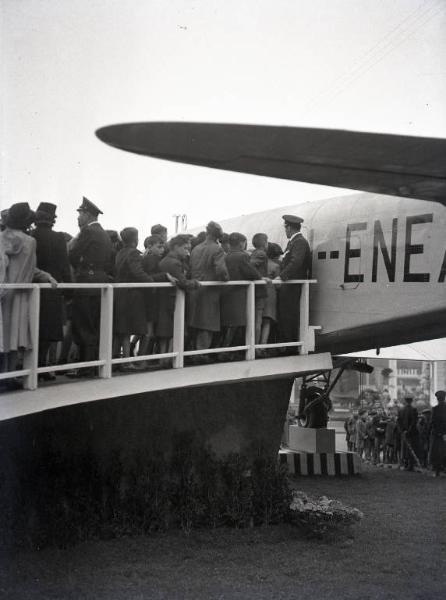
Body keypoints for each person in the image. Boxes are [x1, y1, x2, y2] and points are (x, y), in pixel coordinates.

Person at [0, 203, 56, 380]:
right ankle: (9, 376)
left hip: (4, 292)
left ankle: (5, 376)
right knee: (14, 336)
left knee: (4, 334)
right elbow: (31, 269)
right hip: (20, 295)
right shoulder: (30, 241)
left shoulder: (2, 238)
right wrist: (47, 276)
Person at [68, 197, 113, 376]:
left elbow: (73, 254)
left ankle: (86, 367)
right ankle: (93, 364)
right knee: (94, 323)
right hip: (100, 281)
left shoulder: (87, 232)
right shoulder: (104, 234)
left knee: (83, 324)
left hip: (86, 281)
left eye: (80, 214)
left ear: (87, 214)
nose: (78, 218)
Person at [32, 202, 72, 377]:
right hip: (52, 288)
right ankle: (42, 366)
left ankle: (31, 367)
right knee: (48, 331)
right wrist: (69, 289)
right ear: (52, 219)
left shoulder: (31, 235)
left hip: (31, 286)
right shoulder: (58, 238)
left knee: (33, 328)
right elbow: (65, 266)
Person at [113, 227, 161, 369]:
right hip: (132, 296)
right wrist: (152, 283)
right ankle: (128, 361)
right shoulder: (133, 253)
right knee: (131, 329)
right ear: (136, 239)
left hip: (120, 294)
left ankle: (121, 360)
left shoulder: (120, 252)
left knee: (123, 330)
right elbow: (137, 272)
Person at [188, 221, 229, 354]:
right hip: (209, 292)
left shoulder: (196, 248)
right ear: (218, 235)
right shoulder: (217, 249)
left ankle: (194, 352)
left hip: (194, 290)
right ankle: (201, 353)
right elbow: (221, 270)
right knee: (207, 324)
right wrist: (225, 279)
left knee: (195, 322)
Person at [157, 235, 199, 363]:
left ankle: (165, 359)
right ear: (176, 247)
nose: (187, 252)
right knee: (176, 330)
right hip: (173, 300)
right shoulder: (174, 263)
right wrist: (196, 283)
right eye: (185, 248)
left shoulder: (165, 260)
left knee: (168, 331)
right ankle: (170, 360)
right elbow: (183, 282)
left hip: (166, 299)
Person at [220, 232, 264, 351]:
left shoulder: (226, 256)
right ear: (241, 243)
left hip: (227, 294)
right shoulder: (242, 256)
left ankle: (225, 349)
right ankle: (226, 350)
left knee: (229, 324)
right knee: (235, 324)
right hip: (238, 295)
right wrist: (261, 278)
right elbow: (251, 272)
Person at [276, 215, 311, 343]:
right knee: (285, 314)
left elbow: (296, 262)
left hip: (292, 285)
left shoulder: (299, 242)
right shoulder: (293, 242)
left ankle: (289, 345)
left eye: (286, 228)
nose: (285, 231)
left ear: (289, 228)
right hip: (289, 285)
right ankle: (286, 343)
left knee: (288, 314)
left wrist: (281, 277)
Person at [397, 397, 419, 471]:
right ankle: (410, 465)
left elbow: (398, 422)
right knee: (411, 448)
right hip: (411, 433)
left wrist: (402, 431)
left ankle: (405, 464)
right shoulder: (414, 410)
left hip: (403, 433)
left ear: (405, 401)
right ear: (411, 401)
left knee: (404, 448)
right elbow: (414, 422)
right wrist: (408, 431)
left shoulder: (400, 410)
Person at [430, 390, 446, 477]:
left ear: (438, 399)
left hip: (437, 434)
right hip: (445, 434)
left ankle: (437, 471)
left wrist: (438, 432)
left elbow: (433, 422)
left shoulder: (435, 409)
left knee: (436, 452)